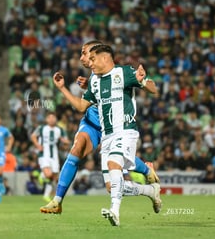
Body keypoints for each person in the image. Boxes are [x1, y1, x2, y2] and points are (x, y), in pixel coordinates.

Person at [40, 40, 160, 214]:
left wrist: (142, 82)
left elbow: (146, 87)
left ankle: (147, 178)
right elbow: (84, 103)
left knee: (112, 186)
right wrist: (75, 87)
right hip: (92, 122)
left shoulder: (121, 73)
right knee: (77, 148)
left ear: (99, 55)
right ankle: (57, 200)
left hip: (114, 127)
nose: (82, 57)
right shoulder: (94, 79)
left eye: (85, 53)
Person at [31, 111, 70, 202]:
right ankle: (40, 175)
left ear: (56, 119)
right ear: (46, 119)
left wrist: (64, 141)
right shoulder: (41, 128)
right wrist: (37, 145)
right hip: (44, 154)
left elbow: (67, 142)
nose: (52, 119)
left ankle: (46, 195)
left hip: (55, 154)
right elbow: (33, 136)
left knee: (54, 177)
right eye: (50, 117)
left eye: (53, 117)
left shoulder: (60, 129)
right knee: (48, 174)